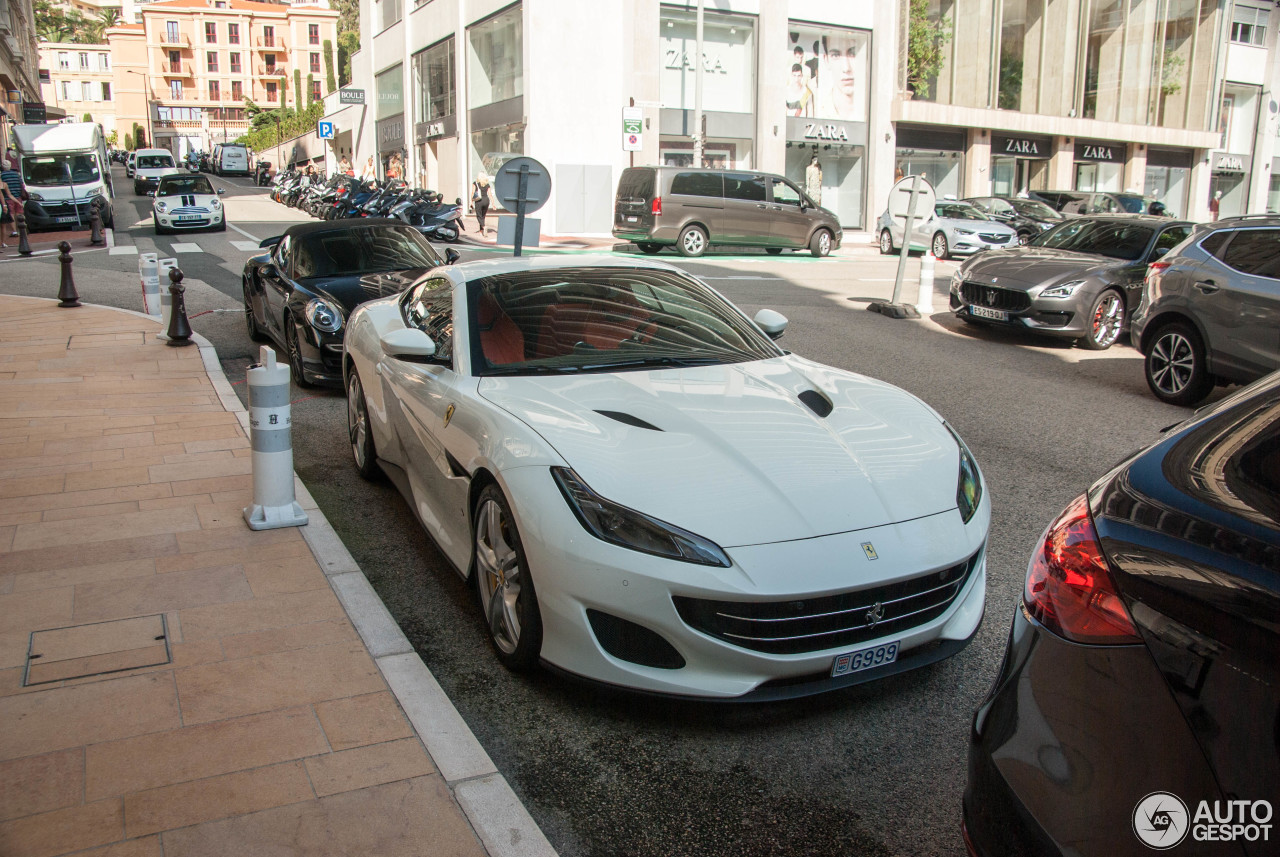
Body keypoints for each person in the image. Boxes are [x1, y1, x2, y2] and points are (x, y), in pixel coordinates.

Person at [816, 33, 863, 120]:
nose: (846, 68)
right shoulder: (817, 111)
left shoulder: (873, 111)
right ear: (826, 60)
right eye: (835, 55)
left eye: (852, 53)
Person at [1, 157, 23, 240]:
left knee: (11, 213)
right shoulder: (16, 174)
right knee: (19, 212)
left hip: (7, 197)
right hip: (18, 196)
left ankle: (14, 231)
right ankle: (21, 229)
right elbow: (21, 184)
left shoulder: (2, 175)